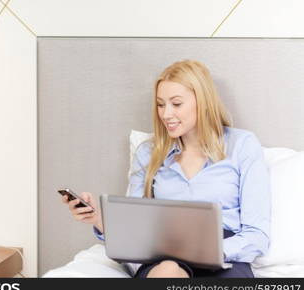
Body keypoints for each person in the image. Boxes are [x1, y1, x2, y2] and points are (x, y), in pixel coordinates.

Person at [61, 59, 271, 278]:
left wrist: (210, 252)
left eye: (176, 104)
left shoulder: (242, 145)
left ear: (203, 101)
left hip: (225, 255)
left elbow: (257, 235)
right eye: (161, 104)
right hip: (164, 255)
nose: (166, 114)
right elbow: (133, 233)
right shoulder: (149, 153)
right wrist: (97, 219)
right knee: (167, 271)